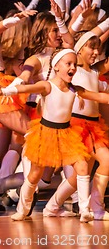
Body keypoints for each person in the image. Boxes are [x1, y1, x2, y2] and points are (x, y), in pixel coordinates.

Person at [0, 48, 109, 222]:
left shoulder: (75, 89)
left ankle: (85, 210)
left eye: (74, 64)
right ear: (56, 67)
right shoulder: (47, 85)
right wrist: (4, 91)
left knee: (81, 166)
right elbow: (25, 88)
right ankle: (23, 208)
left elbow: (99, 97)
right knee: (35, 175)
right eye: (68, 64)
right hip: (46, 134)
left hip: (66, 134)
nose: (72, 67)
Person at [43, 31, 109, 221]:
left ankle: (51, 206)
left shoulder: (95, 72)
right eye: (91, 47)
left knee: (78, 177)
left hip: (94, 126)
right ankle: (96, 208)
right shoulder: (73, 70)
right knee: (105, 160)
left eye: (98, 48)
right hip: (77, 126)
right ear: (79, 49)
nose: (96, 52)